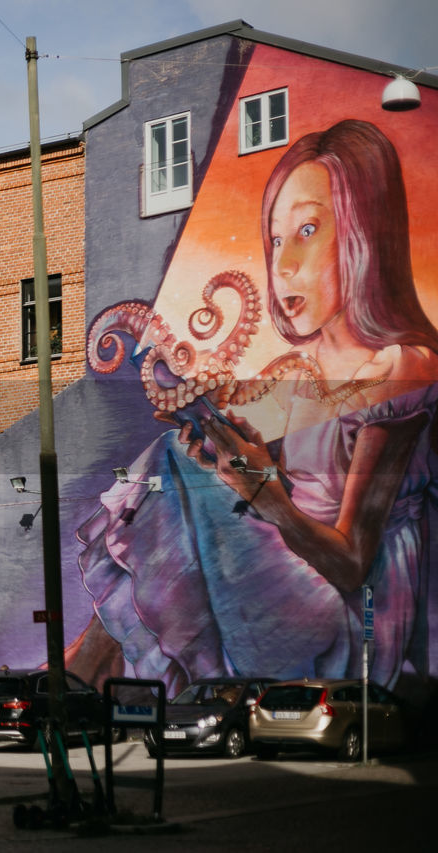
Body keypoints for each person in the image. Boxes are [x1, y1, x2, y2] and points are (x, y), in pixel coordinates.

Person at [69, 120, 438, 696]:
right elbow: (228, 452)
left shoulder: (402, 367)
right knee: (181, 457)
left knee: (173, 462)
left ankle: (86, 671)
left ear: (366, 233)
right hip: (291, 585)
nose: (284, 263)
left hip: (349, 622)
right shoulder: (292, 378)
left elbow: (352, 564)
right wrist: (218, 442)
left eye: (308, 229)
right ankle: (94, 670)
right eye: (274, 240)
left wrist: (261, 493)